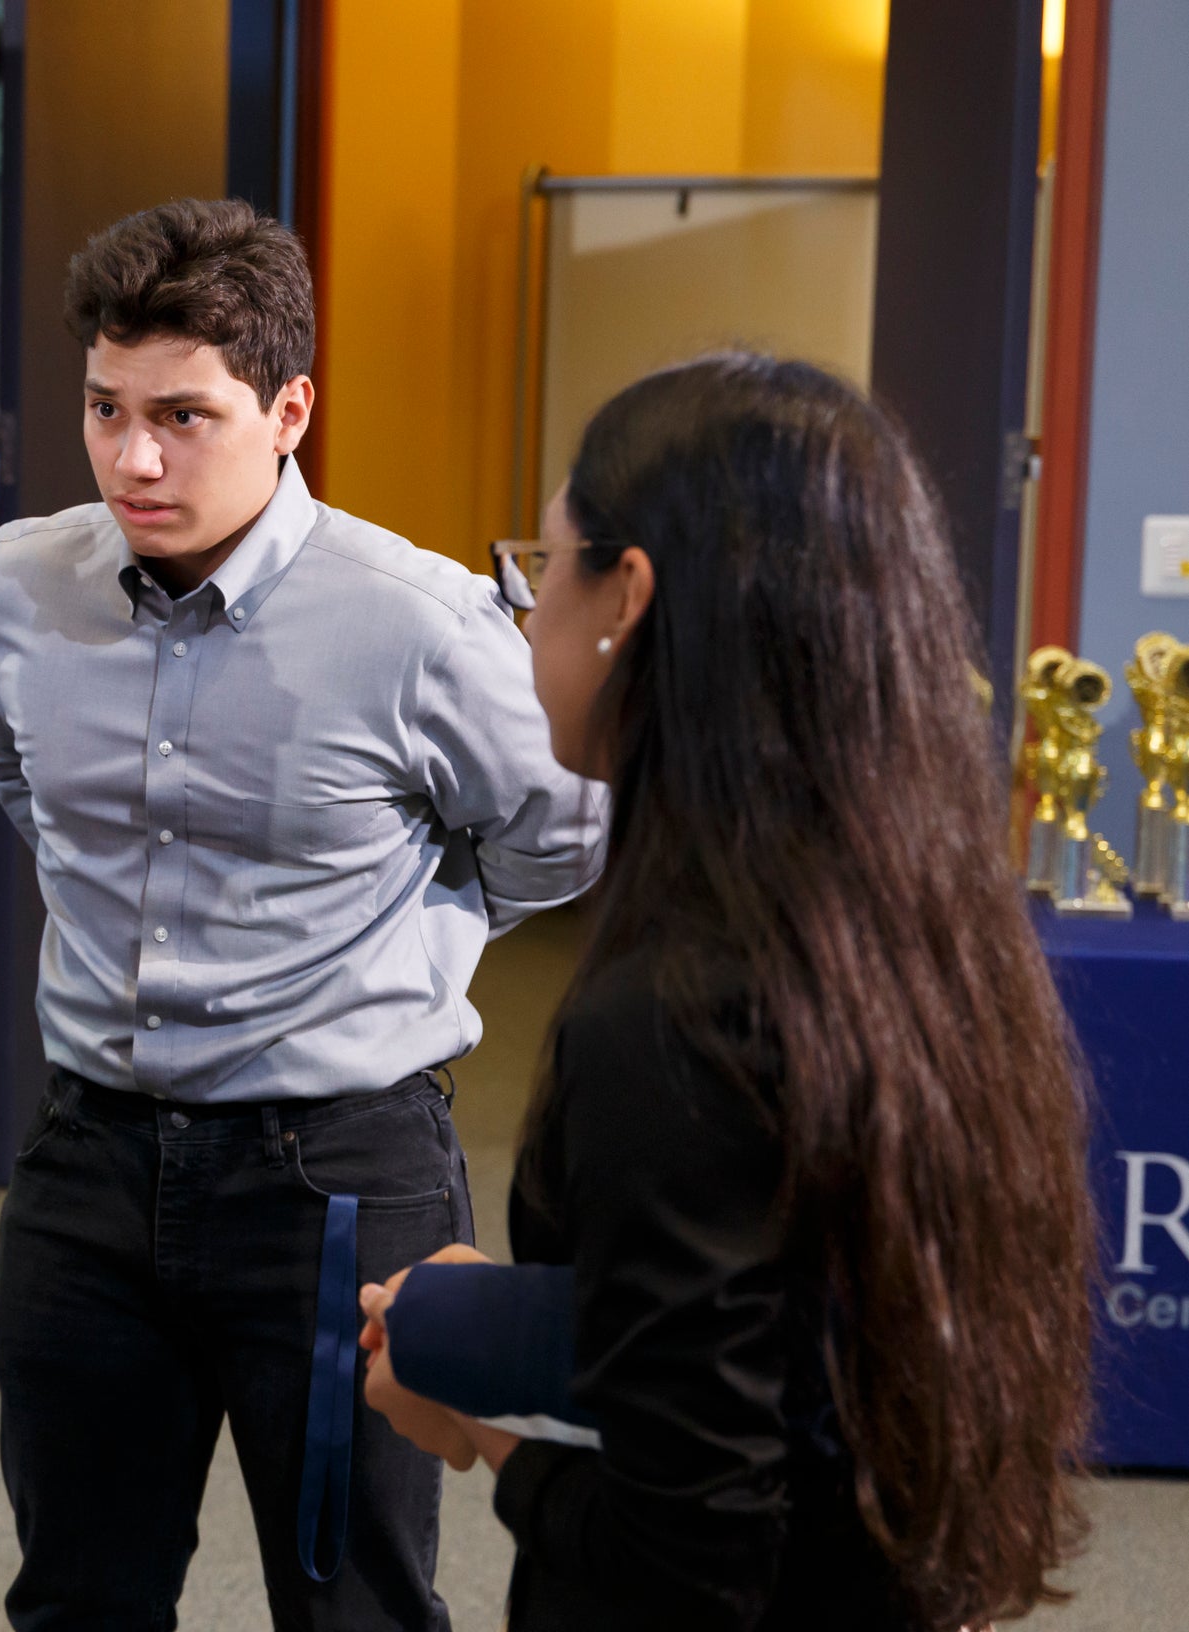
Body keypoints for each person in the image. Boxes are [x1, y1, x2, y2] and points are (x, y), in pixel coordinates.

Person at [360, 353, 1096, 1629]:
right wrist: (509, 1328)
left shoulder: (670, 1018)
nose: (528, 620)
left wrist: (486, 1437)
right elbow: (790, 1344)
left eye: (542, 571)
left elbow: (690, 1555)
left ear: (627, 598)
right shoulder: (915, 944)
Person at [0, 196, 604, 1631]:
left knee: (354, 1604)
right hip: (86, 1162)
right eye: (104, 409)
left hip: (335, 1169)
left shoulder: (420, 621)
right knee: (73, 1595)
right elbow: (21, 780)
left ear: (288, 407)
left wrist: (384, 946)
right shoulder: (22, 582)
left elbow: (558, 832)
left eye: (184, 416)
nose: (133, 457)